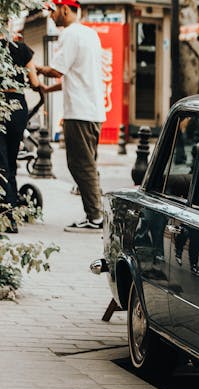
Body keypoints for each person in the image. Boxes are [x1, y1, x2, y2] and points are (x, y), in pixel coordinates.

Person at [37, 0, 106, 232]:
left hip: (79, 112)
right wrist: (48, 90)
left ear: (65, 9)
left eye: (53, 10)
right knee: (88, 164)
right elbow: (75, 75)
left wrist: (34, 68)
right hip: (94, 111)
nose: (50, 16)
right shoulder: (90, 34)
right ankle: (97, 214)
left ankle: (95, 218)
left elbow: (58, 70)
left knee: (79, 164)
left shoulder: (70, 34)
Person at [0, 32, 42, 234]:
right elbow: (34, 82)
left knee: (2, 162)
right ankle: (12, 206)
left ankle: (8, 216)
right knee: (10, 158)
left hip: (1, 105)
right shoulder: (22, 49)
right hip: (18, 107)